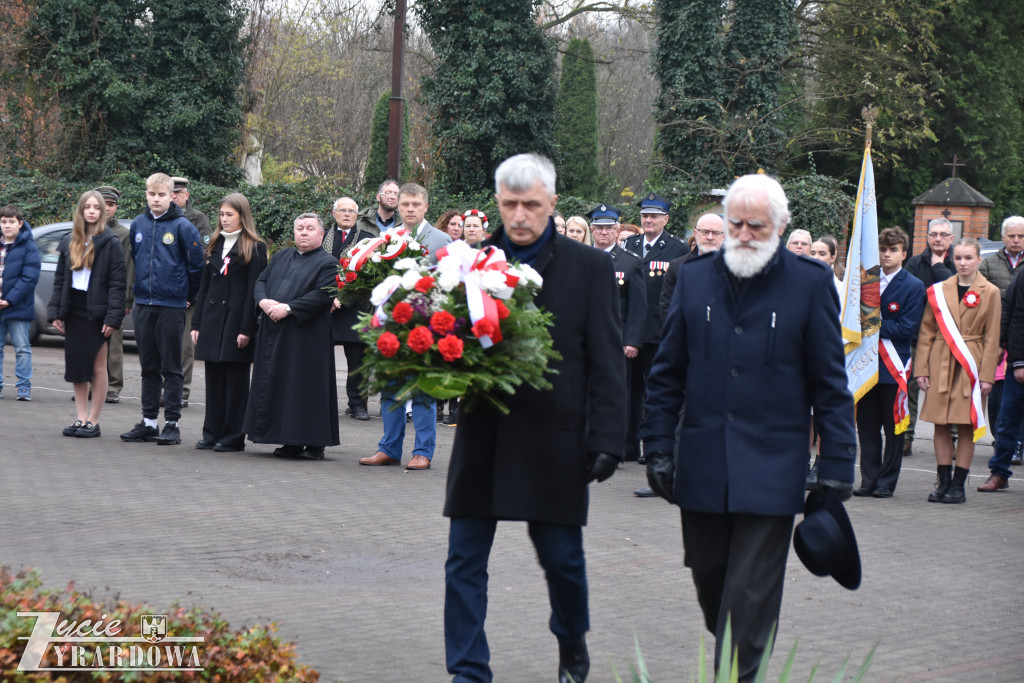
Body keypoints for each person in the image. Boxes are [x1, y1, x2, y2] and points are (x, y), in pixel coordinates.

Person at [642, 174, 856, 681]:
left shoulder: (809, 283)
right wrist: (656, 446)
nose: (742, 233)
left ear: (780, 227)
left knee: (749, 595)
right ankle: (742, 653)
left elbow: (830, 382)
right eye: (734, 222)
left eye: (754, 225)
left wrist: (836, 465)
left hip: (773, 468)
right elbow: (667, 372)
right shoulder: (694, 279)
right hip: (702, 465)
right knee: (712, 583)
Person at [444, 154, 627, 683]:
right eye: (509, 204)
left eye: (530, 205)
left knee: (563, 562)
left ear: (552, 203)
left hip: (556, 436)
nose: (519, 215)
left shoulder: (589, 267)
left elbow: (606, 359)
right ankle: (468, 670)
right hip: (485, 433)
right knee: (463, 561)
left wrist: (608, 438)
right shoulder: (471, 263)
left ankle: (571, 641)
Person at [244, 212, 340, 460]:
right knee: (284, 387)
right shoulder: (282, 255)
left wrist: (288, 308)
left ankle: (314, 443)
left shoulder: (329, 262)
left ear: (321, 233)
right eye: (300, 228)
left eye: (310, 228)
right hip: (276, 333)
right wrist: (264, 302)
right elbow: (261, 281)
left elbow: (323, 295)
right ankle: (291, 440)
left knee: (307, 388)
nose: (304, 233)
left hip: (307, 338)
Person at [915, 237, 1001, 504]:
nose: (962, 263)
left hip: (971, 366)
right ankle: (943, 481)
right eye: (959, 258)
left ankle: (958, 485)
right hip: (940, 362)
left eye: (968, 258)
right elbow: (927, 331)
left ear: (979, 260)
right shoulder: (939, 290)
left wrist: (987, 375)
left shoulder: (991, 291)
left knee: (966, 426)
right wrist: (921, 369)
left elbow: (992, 337)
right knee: (940, 424)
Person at [119, 173, 204, 446]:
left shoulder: (183, 226)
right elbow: (136, 258)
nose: (156, 199)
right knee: (149, 367)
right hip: (144, 304)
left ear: (172, 196)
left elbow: (196, 267)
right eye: (151, 195)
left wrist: (188, 296)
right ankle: (148, 422)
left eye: (162, 195)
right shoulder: (138, 224)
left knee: (172, 366)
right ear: (146, 195)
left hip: (172, 305)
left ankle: (172, 424)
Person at [190, 193, 268, 452]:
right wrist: (197, 323)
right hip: (212, 322)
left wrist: (247, 328)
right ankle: (211, 432)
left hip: (236, 323)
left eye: (229, 215)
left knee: (235, 384)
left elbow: (253, 292)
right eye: (221, 214)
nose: (224, 220)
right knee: (213, 381)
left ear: (242, 217)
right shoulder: (214, 243)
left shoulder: (255, 247)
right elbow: (204, 288)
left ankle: (233, 436)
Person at [47, 190, 127, 437]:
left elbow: (117, 283)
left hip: (98, 312)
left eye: (96, 207)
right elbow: (60, 279)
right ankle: (81, 418)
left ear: (102, 212)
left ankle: (94, 420)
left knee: (97, 367)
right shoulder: (70, 240)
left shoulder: (110, 242)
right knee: (76, 366)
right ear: (81, 211)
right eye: (87, 207)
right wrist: (56, 313)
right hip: (74, 310)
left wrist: (113, 317)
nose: (91, 211)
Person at [853, 227, 924, 498]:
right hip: (867, 365)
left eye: (893, 250)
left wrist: (873, 325)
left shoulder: (914, 286)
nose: (886, 255)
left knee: (893, 427)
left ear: (904, 254)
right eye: (883, 249)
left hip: (893, 367)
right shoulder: (866, 280)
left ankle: (886, 481)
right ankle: (868, 479)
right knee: (868, 428)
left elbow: (906, 328)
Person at [621, 193, 689, 460]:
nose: (648, 220)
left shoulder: (677, 248)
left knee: (656, 391)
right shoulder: (628, 244)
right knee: (629, 391)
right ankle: (627, 446)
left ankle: (653, 446)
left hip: (659, 331)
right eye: (645, 216)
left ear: (666, 219)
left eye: (654, 216)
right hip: (630, 331)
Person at [590, 204, 645, 465]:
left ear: (617, 230)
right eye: (598, 228)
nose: (603, 232)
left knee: (619, 395)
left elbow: (638, 306)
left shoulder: (630, 263)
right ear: (591, 230)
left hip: (618, 341)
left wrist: (633, 340)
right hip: (586, 340)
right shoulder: (582, 258)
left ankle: (622, 446)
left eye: (608, 228)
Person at [903, 218, 956, 456]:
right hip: (918, 337)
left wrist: (938, 268)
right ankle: (906, 436)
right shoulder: (914, 263)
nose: (938, 239)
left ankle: (952, 438)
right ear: (927, 237)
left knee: (948, 390)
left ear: (951, 239)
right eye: (933, 234)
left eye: (943, 235)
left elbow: (956, 294)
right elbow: (909, 298)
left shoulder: (959, 262)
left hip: (949, 339)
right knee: (910, 388)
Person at [977, 216, 1024, 461]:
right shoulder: (988, 262)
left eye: (1021, 236)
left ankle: (1018, 445)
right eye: (1011, 236)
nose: (1016, 240)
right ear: (1003, 237)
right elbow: (979, 293)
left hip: (1018, 340)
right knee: (999, 399)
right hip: (997, 338)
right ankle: (1002, 445)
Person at [326, 196, 375, 422]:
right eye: (342, 210)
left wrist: (343, 298)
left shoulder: (367, 240)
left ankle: (357, 404)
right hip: (325, 307)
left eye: (351, 211)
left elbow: (370, 276)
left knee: (358, 361)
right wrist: (328, 298)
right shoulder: (321, 236)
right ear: (333, 213)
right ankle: (321, 401)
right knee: (320, 357)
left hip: (355, 306)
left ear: (357, 216)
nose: (347, 214)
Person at [170, 177, 212, 409]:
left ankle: (182, 392)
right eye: (171, 192)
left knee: (185, 346)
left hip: (187, 291)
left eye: (179, 192)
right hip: (167, 291)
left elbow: (204, 254)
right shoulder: (161, 219)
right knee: (166, 344)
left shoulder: (198, 218)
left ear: (187, 195)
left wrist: (192, 290)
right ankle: (167, 388)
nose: (175, 196)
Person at [94, 186, 134, 404]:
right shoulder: (88, 231)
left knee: (114, 343)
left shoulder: (123, 234)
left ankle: (113, 385)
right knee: (91, 341)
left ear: (116, 207)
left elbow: (129, 269)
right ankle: (92, 383)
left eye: (111, 205)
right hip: (91, 296)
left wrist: (127, 299)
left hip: (114, 295)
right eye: (104, 204)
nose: (107, 208)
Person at [0, 205, 41, 401]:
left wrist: (9, 300)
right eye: (3, 222)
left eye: (11, 222)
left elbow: (29, 278)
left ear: (20, 223)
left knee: (22, 348)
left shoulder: (28, 246)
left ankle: (24, 386)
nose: (7, 226)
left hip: (17, 306)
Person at [397, 183, 452, 254]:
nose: (410, 209)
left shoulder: (442, 240)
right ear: (398, 206)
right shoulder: (389, 237)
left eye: (416, 204)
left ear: (426, 207)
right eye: (405, 204)